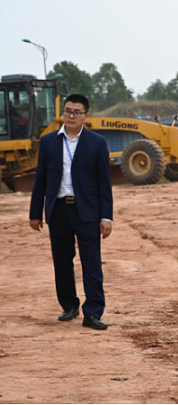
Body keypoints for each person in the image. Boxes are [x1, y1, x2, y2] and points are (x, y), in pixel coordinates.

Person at [29, 94, 113, 330]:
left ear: (86, 115)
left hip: (87, 212)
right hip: (58, 211)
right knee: (62, 262)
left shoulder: (97, 142)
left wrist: (106, 216)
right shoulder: (49, 142)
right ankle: (69, 305)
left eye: (77, 112)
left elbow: (104, 184)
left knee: (92, 263)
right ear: (62, 113)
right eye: (67, 111)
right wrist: (35, 212)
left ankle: (93, 313)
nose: (71, 116)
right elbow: (40, 179)